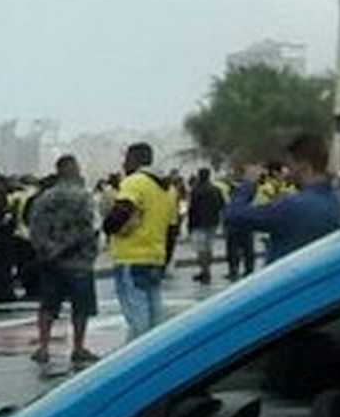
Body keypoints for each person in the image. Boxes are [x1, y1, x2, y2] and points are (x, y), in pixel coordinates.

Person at [224, 132, 340, 264]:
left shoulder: (293, 206)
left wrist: (248, 184)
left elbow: (233, 215)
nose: (287, 172)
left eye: (290, 166)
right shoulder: (338, 203)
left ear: (303, 166)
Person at [26, 155, 101, 368]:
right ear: (75, 171)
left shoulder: (45, 198)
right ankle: (78, 347)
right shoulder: (85, 197)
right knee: (81, 307)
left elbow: (35, 227)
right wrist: (69, 248)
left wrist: (46, 249)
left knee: (48, 305)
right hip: (79, 261)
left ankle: (43, 347)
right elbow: (90, 228)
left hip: (51, 262)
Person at [106, 143, 172, 340]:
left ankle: (137, 360)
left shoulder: (134, 182)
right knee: (155, 314)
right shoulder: (165, 188)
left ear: (134, 160)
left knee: (137, 318)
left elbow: (122, 211)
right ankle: (158, 353)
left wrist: (107, 226)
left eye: (126, 159)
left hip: (131, 257)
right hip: (155, 256)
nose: (123, 163)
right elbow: (172, 228)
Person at [185, 167, 226, 285]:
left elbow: (192, 209)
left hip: (198, 223)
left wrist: (189, 226)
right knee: (209, 247)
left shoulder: (195, 190)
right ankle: (208, 270)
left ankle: (204, 271)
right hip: (213, 222)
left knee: (201, 249)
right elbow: (221, 206)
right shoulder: (216, 190)